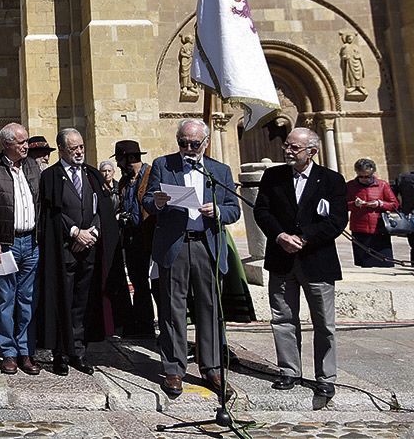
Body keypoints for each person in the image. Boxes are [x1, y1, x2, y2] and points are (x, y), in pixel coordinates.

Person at [142, 119, 241, 397]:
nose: (187, 148)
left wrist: (219, 211)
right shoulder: (163, 164)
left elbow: (234, 209)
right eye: (182, 142)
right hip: (175, 244)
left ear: (205, 143)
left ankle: (211, 368)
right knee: (172, 309)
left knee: (210, 309)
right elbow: (148, 200)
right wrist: (158, 202)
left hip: (207, 245)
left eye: (193, 144)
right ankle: (173, 369)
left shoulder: (219, 170)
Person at [252, 127, 348, 399]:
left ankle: (325, 377)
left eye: (295, 148)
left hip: (317, 261)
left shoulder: (331, 180)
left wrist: (304, 239)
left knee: (324, 323)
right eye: (287, 146)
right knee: (283, 318)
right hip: (281, 259)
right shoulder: (273, 176)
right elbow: (262, 210)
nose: (287, 151)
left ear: (312, 152)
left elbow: (337, 221)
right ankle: (289, 371)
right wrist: (280, 235)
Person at [36, 128, 108, 376]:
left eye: (81, 147)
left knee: (82, 301)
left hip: (89, 248)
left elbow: (103, 210)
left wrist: (93, 233)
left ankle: (79, 351)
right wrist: (75, 232)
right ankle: (61, 353)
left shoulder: (92, 175)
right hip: (64, 249)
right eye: (73, 148)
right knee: (62, 301)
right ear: (62, 150)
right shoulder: (51, 176)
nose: (79, 151)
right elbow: (51, 213)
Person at [0, 122, 42, 375]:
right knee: (4, 300)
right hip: (6, 243)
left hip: (31, 241)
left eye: (26, 141)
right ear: (7, 144)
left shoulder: (32, 166)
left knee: (27, 299)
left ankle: (26, 351)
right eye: (21, 141)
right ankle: (8, 352)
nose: (26, 145)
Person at [113, 139, 155, 337]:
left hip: (150, 236)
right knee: (139, 283)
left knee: (157, 284)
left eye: (120, 160)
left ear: (130, 158)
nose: (118, 165)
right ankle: (142, 324)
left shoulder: (151, 175)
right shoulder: (124, 181)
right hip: (131, 238)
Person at [345, 158, 399, 268]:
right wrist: (354, 204)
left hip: (379, 228)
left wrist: (380, 204)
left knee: (384, 262)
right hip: (360, 228)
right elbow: (342, 205)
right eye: (361, 176)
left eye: (367, 176)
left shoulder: (382, 185)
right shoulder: (350, 186)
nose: (364, 179)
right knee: (365, 264)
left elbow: (394, 205)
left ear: (372, 173)